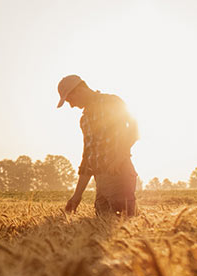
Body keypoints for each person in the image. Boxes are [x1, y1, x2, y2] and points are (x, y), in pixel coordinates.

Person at [56, 75, 139, 217]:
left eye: (70, 100)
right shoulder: (84, 120)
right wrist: (77, 195)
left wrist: (121, 156)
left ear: (79, 90)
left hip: (119, 175)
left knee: (123, 225)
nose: (71, 105)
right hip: (100, 183)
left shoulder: (111, 102)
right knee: (101, 228)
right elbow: (88, 158)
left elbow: (134, 128)